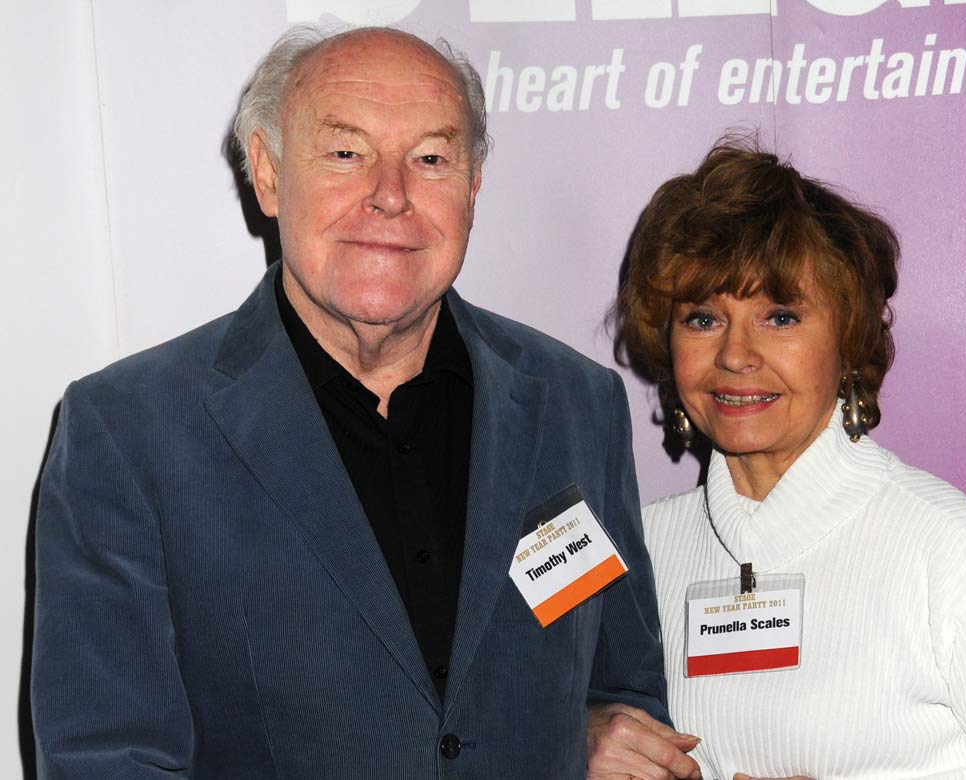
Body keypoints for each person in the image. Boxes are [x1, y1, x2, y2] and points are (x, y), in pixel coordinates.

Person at [32, 25, 693, 779]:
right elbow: (107, 759)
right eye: (346, 153)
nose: (391, 195)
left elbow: (623, 688)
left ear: (473, 188)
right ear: (269, 172)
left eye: (432, 159)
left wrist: (595, 727)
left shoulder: (576, 404)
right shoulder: (129, 433)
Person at [596, 140, 966, 779]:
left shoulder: (949, 556)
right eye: (703, 318)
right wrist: (580, 736)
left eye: (780, 316)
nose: (736, 354)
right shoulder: (637, 550)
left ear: (848, 342)